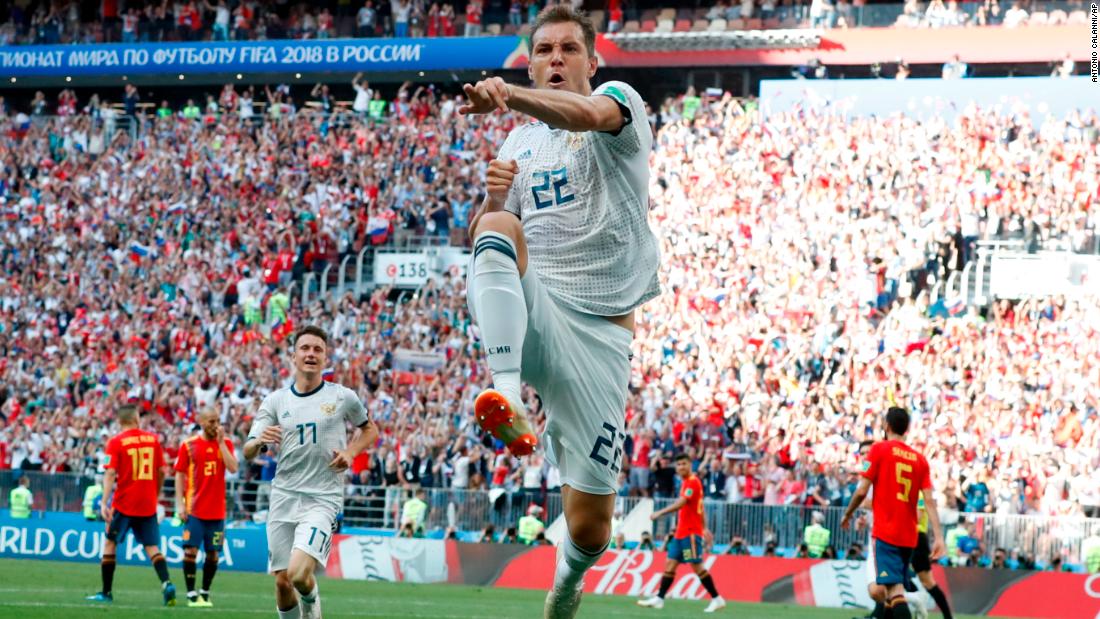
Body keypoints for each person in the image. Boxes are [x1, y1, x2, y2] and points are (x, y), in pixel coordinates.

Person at [459, 5, 660, 617]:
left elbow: (587, 113)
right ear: (530, 58)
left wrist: (513, 98)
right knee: (495, 225)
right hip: (539, 310)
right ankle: (507, 395)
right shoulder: (517, 143)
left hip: (601, 335)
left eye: (568, 50)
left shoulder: (620, 104)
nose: (554, 60)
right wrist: (495, 197)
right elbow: (487, 239)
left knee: (593, 525)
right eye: (542, 50)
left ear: (592, 62)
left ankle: (565, 584)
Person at [243, 325, 379, 619]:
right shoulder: (276, 401)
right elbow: (248, 449)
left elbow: (370, 430)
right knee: (282, 581)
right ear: (293, 356)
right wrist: (259, 441)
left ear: (325, 356)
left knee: (299, 575)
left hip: (322, 498)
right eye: (305, 348)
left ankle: (314, 612)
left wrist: (351, 452)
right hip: (284, 496)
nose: (311, 354)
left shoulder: (343, 397)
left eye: (317, 349)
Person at [841, 408, 946, 619]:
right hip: (909, 536)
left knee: (894, 592)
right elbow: (930, 501)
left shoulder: (879, 450)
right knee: (889, 594)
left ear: (886, 426)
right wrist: (939, 536)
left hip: (886, 533)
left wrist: (847, 513)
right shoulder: (920, 459)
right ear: (906, 429)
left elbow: (862, 490)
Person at [86, 404, 177, 606]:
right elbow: (162, 471)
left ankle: (106, 592)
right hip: (147, 501)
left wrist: (103, 502)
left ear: (120, 421)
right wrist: (156, 492)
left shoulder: (117, 442)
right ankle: (167, 583)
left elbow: (110, 473)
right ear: (136, 418)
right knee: (152, 547)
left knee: (110, 542)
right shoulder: (153, 440)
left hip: (125, 502)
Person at [637, 454, 726, 613]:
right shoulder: (686, 482)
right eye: (678, 464)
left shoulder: (692, 481)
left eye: (684, 463)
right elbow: (700, 508)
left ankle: (717, 598)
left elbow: (682, 503)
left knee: (696, 565)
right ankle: (659, 599)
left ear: (690, 464)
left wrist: (660, 513)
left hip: (690, 534)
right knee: (670, 564)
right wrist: (705, 527)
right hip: (680, 534)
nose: (681, 467)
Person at [174, 408, 239, 607]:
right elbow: (179, 474)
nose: (215, 425)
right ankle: (191, 594)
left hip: (217, 512)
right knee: (190, 552)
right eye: (211, 421)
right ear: (201, 422)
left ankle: (205, 592)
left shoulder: (225, 443)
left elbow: (233, 468)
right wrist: (180, 504)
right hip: (195, 510)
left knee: (213, 554)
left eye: (218, 421)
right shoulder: (188, 445)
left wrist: (221, 444)